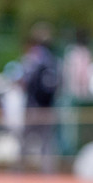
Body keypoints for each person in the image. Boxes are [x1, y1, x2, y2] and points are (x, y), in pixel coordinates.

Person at [17, 22, 61, 173]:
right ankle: (47, 174)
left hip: (33, 106)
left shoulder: (33, 57)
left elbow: (23, 79)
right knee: (47, 143)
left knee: (25, 142)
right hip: (48, 107)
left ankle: (19, 172)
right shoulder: (53, 59)